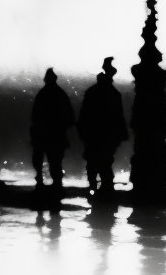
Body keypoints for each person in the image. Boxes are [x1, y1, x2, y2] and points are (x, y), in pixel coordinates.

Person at [77, 57, 129, 198]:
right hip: (106, 136)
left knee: (94, 164)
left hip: (94, 135)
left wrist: (82, 131)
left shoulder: (93, 92)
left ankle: (94, 188)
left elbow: (84, 115)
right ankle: (105, 189)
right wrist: (120, 134)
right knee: (105, 163)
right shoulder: (113, 94)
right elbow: (118, 116)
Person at [30, 68, 75, 194]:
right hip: (56, 134)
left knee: (41, 160)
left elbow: (35, 116)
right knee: (55, 161)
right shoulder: (61, 94)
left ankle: (41, 182)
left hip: (43, 133)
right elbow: (70, 116)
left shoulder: (42, 94)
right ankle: (56, 184)